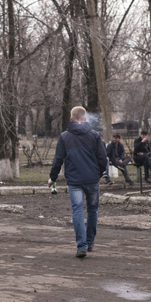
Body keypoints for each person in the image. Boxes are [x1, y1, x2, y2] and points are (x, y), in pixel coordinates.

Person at [48, 105, 108, 258]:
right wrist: (98, 173)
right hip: (92, 180)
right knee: (93, 210)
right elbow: (103, 158)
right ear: (86, 118)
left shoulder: (64, 137)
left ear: (71, 119)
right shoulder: (95, 136)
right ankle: (90, 242)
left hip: (74, 181)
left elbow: (58, 160)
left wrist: (53, 178)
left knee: (78, 211)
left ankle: (81, 246)